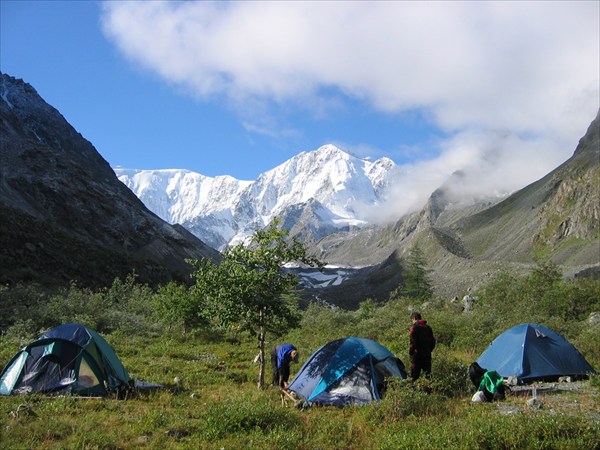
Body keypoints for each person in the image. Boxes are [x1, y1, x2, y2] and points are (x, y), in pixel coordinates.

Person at [409, 312, 436, 380]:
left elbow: (413, 342)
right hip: (427, 354)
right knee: (428, 375)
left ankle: (414, 389)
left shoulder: (414, 327)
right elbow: (433, 342)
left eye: (412, 320)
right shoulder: (428, 327)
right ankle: (430, 390)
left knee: (414, 376)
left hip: (417, 355)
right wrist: (429, 350)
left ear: (414, 318)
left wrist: (411, 353)